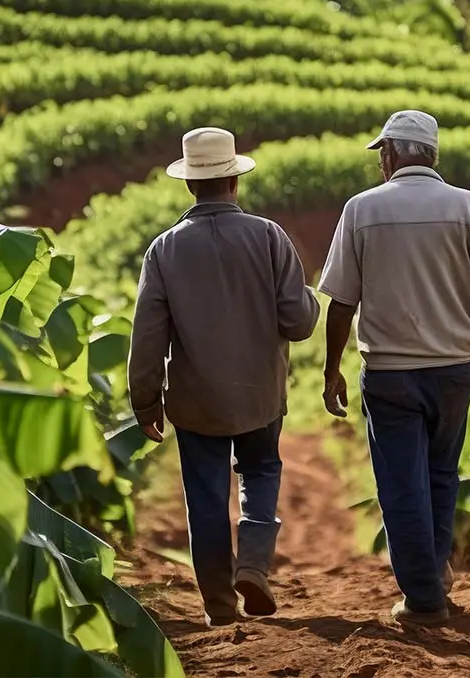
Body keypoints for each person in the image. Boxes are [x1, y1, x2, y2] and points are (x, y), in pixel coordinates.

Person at [317, 110, 470, 625]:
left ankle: (423, 599)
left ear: (390, 154)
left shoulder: (361, 210)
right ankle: (432, 579)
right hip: (454, 370)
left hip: (389, 373)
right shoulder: (468, 207)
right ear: (431, 154)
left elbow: (340, 302)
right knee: (439, 477)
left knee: (400, 485)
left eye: (381, 154)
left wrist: (331, 369)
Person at [128, 126, 320, 628]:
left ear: (190, 185)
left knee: (206, 499)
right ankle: (253, 564)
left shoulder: (164, 250)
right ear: (234, 181)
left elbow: (147, 336)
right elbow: (298, 323)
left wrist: (146, 402)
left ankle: (219, 605)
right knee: (260, 474)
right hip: (261, 392)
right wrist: (312, 299)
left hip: (196, 401)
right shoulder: (270, 237)